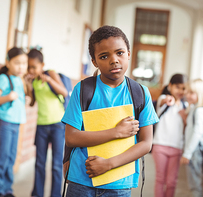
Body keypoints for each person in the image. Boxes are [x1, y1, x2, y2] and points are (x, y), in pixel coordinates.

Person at [61, 25, 159, 197]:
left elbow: (145, 143)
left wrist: (108, 164)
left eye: (119, 53)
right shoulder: (83, 89)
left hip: (119, 183)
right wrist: (116, 132)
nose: (114, 60)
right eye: (104, 56)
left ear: (129, 53)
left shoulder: (140, 93)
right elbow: (71, 137)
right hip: (81, 180)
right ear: (94, 61)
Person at [27, 49, 68, 197]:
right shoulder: (34, 80)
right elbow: (32, 102)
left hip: (57, 124)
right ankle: (37, 193)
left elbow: (64, 92)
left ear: (42, 65)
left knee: (56, 165)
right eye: (29, 67)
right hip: (41, 126)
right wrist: (28, 85)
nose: (31, 70)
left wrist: (49, 80)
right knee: (39, 163)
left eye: (34, 67)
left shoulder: (51, 73)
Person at [0, 47, 28, 197]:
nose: (21, 67)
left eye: (24, 63)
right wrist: (8, 97)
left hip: (16, 123)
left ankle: (7, 190)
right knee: (2, 158)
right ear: (8, 62)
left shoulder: (19, 79)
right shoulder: (3, 79)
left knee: (11, 158)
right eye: (17, 63)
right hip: (4, 123)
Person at [152, 74, 187, 197]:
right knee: (160, 179)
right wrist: (167, 100)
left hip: (177, 147)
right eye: (177, 87)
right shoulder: (165, 100)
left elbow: (187, 128)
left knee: (172, 182)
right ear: (170, 86)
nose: (181, 91)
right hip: (160, 146)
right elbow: (162, 100)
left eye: (183, 88)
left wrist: (185, 117)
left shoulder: (185, 107)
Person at [180, 79, 203, 197]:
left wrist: (187, 153)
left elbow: (197, 133)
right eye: (187, 92)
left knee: (194, 186)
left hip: (195, 152)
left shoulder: (200, 111)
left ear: (200, 94)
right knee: (194, 183)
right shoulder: (197, 109)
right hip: (195, 151)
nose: (187, 95)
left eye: (191, 93)